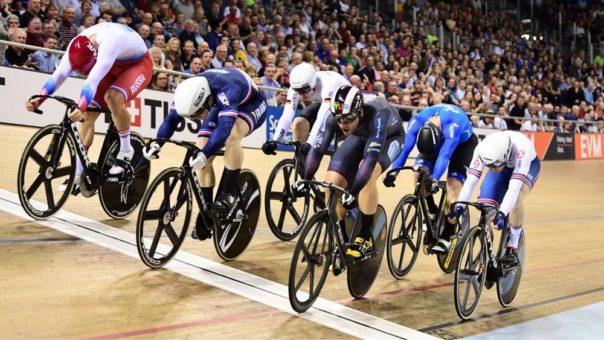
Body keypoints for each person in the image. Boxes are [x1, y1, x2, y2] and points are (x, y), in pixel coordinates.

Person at [25, 22, 153, 190]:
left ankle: (126, 150)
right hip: (113, 61)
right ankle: (78, 172)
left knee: (113, 97)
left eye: (84, 71)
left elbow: (91, 82)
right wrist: (39, 99)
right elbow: (58, 76)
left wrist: (81, 106)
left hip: (137, 65)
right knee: (87, 117)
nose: (81, 74)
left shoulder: (108, 46)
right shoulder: (75, 46)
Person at [143, 68, 267, 240]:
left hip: (251, 103)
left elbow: (224, 128)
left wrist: (205, 154)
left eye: (198, 114)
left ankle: (228, 194)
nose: (198, 119)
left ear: (206, 101)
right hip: (218, 100)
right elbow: (171, 120)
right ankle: (207, 210)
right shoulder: (186, 92)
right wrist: (157, 143)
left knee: (232, 136)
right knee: (200, 146)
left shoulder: (229, 90)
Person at [295, 85, 405, 259]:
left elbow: (369, 160)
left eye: (348, 119)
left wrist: (353, 192)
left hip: (390, 137)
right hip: (360, 135)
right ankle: (342, 237)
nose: (343, 124)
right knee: (331, 184)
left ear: (359, 112)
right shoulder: (335, 118)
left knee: (369, 175)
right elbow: (318, 150)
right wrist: (306, 179)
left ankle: (366, 236)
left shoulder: (378, 115)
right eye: (339, 120)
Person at [384, 103, 478, 253]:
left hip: (463, 146)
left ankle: (447, 236)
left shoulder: (453, 125)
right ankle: (432, 211)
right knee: (418, 173)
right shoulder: (418, 120)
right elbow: (405, 148)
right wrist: (394, 172)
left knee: (452, 186)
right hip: (435, 142)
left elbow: (445, 155)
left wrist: (434, 179)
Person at [451, 131, 540, 267]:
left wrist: (502, 213)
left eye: (494, 165)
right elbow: (470, 182)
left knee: (516, 201)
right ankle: (486, 252)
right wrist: (459, 207)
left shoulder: (523, 150)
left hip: (527, 166)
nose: (491, 169)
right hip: (503, 166)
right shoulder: (482, 149)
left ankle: (513, 243)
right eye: (489, 166)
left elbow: (513, 189)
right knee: (483, 212)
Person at [262, 62, 350, 159]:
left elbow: (321, 118)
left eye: (304, 90)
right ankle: (301, 162)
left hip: (343, 103)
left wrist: (309, 143)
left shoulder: (327, 85)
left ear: (312, 83)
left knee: (323, 131)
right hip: (323, 101)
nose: (301, 94)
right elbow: (287, 115)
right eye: (298, 90)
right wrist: (274, 141)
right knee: (298, 123)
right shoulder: (295, 88)